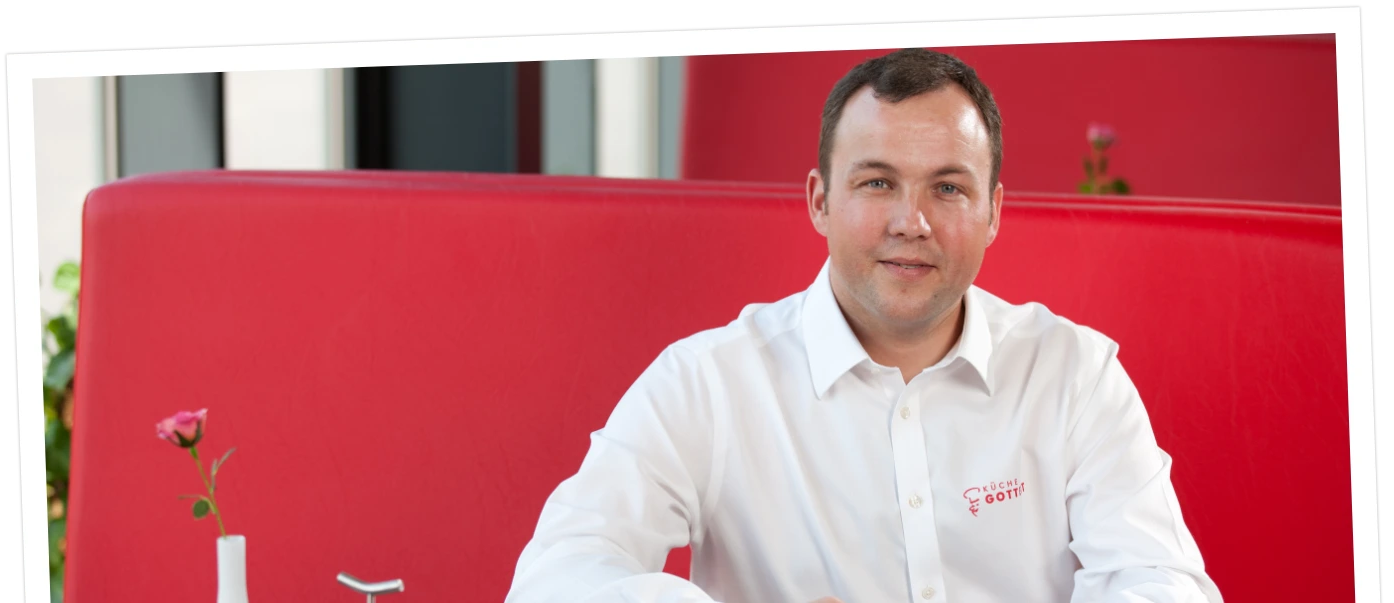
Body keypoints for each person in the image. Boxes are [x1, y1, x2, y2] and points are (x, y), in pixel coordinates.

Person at [505, 48, 1222, 603]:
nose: (912, 222)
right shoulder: (706, 383)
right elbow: (556, 577)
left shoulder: (1075, 375)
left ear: (994, 212)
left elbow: (1164, 583)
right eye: (877, 182)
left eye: (948, 187)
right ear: (820, 201)